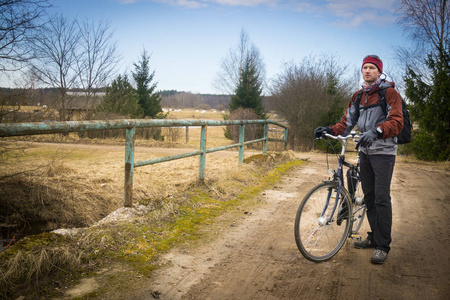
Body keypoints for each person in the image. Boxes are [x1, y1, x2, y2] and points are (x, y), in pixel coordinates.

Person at [314, 55, 403, 264]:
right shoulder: (358, 96)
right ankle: (374, 237)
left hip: (384, 151)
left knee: (381, 197)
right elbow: (346, 123)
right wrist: (328, 129)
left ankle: (383, 246)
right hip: (366, 152)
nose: (367, 71)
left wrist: (377, 130)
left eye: (372, 68)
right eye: (365, 68)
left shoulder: (389, 93)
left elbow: (397, 121)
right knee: (370, 196)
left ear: (379, 72)